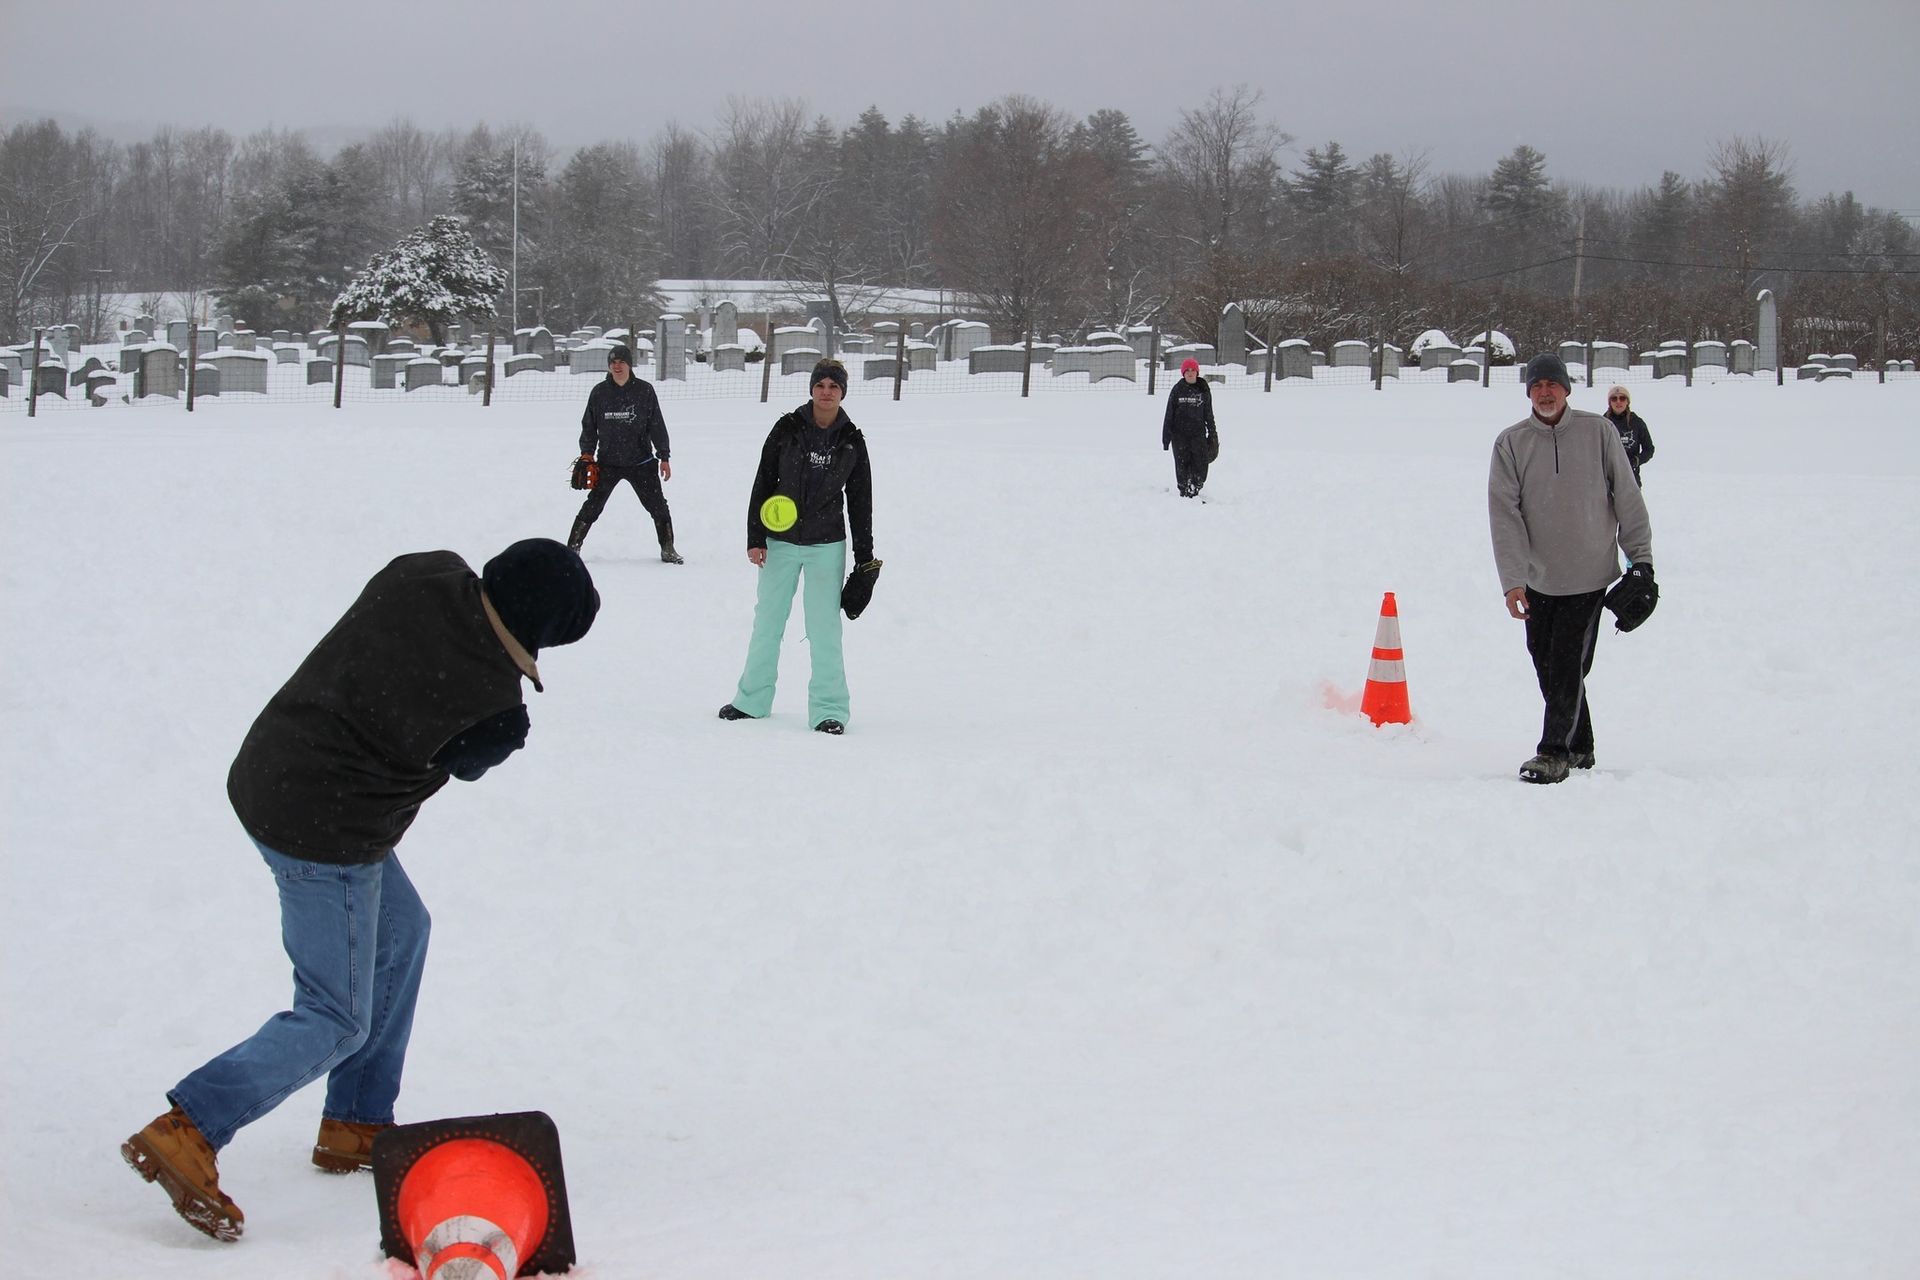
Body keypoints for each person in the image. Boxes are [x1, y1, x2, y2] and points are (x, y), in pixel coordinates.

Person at [122, 539, 599, 1241]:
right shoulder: (490, 707)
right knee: (334, 1016)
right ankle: (190, 1126)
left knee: (404, 933)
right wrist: (500, 724)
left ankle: (357, 1119)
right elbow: (465, 762)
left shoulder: (425, 570)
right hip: (326, 833)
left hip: (271, 766)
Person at [1489, 354, 1654, 785]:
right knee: (1547, 662)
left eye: (1553, 384)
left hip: (1589, 575)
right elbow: (1504, 515)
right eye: (1537, 384)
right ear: (1528, 391)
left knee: (1565, 662)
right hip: (1538, 578)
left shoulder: (1598, 432)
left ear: (1567, 389)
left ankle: (1554, 752)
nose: (1545, 392)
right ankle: (1581, 745)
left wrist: (1642, 562)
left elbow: (1628, 498)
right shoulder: (1510, 443)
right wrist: (1512, 581)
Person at [718, 358, 875, 734]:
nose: (826, 392)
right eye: (820, 385)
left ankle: (829, 710)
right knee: (767, 622)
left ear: (842, 392)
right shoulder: (786, 429)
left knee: (824, 629)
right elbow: (762, 481)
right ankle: (752, 700)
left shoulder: (852, 440)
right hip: (780, 542)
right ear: (811, 389)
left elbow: (861, 500)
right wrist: (755, 537)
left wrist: (864, 560)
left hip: (826, 545)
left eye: (833, 386)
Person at [568, 342, 683, 563]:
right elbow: (589, 426)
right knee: (592, 507)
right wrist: (586, 453)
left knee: (658, 507)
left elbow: (656, 424)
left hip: (641, 462)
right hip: (608, 462)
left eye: (621, 361)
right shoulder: (600, 393)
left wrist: (664, 456)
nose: (617, 366)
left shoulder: (644, 390)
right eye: (613, 362)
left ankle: (668, 549)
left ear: (629, 365)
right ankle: (572, 548)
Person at [1161, 356, 1217, 497]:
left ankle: (1195, 486)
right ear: (1183, 373)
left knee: (1201, 463)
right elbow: (1169, 414)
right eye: (1187, 371)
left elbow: (1209, 414)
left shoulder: (1203, 389)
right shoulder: (1177, 390)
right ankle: (1184, 490)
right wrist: (1166, 437)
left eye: (1193, 370)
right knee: (1182, 464)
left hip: (1197, 434)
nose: (1190, 373)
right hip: (1179, 435)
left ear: (1197, 372)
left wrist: (1213, 434)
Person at [1602, 384, 1656, 485]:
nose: (1618, 401)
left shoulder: (1637, 423)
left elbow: (1649, 449)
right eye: (1614, 399)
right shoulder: (1602, 423)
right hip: (1607, 480)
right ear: (1610, 402)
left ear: (1627, 402)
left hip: (1631, 478)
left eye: (1622, 398)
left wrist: (1636, 461)